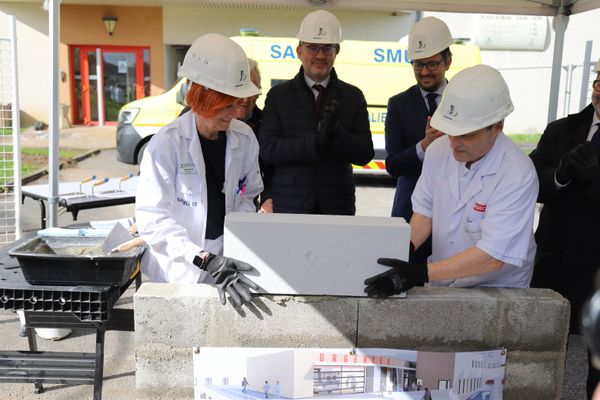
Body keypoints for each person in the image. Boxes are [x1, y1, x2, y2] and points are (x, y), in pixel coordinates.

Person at [364, 64, 538, 296]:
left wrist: (421, 273)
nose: (454, 142)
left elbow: (493, 257)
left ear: (497, 126)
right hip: (442, 279)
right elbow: (425, 213)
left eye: (466, 134)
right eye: (451, 131)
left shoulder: (517, 173)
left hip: (496, 290)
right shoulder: (438, 150)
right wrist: (404, 248)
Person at [135, 33, 262, 308]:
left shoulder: (245, 139)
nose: (235, 113)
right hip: (178, 269)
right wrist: (204, 259)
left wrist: (231, 246)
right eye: (226, 105)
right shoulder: (165, 146)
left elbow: (248, 194)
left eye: (237, 104)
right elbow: (153, 221)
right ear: (203, 97)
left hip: (227, 261)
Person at [529, 58, 600, 398]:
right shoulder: (560, 129)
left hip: (596, 267)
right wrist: (560, 175)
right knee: (537, 349)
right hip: (552, 259)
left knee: (595, 359)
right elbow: (528, 182)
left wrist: (594, 180)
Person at [259, 10, 374, 215]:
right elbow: (268, 149)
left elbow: (365, 154)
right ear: (299, 51)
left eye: (327, 48)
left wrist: (337, 134)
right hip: (290, 205)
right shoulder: (278, 96)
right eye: (313, 48)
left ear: (336, 51)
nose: (320, 55)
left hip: (337, 206)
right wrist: (314, 142)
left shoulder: (353, 96)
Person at [385, 16, 453, 264]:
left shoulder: (465, 99)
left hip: (456, 210)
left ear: (447, 61)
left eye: (432, 64)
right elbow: (393, 166)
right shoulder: (398, 104)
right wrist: (424, 146)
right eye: (418, 64)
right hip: (410, 210)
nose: (424, 72)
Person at [180, 58, 272, 209]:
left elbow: (254, 187)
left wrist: (266, 197)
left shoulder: (260, 126)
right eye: (239, 93)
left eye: (252, 91)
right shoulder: (182, 128)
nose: (245, 99)